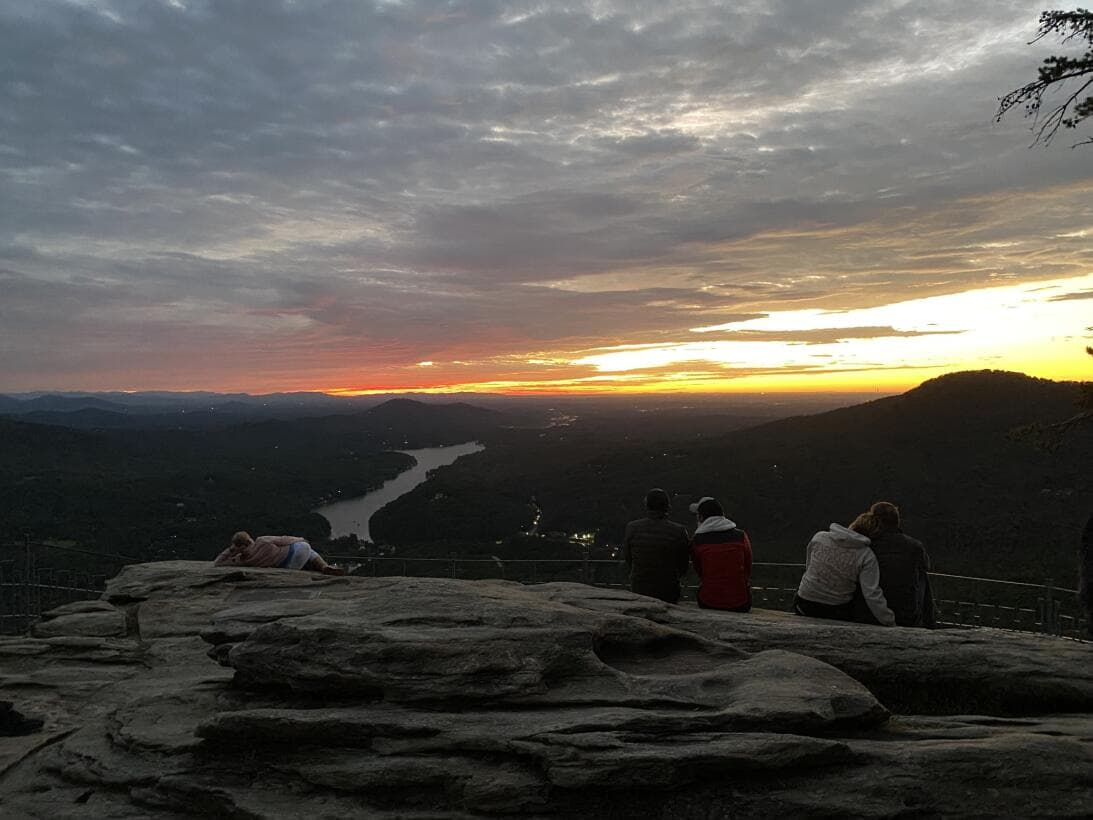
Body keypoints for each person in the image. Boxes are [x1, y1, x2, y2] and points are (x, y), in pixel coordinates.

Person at [794, 513, 895, 627]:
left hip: (803, 604)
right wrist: (889, 620)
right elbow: (871, 593)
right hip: (835, 611)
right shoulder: (866, 555)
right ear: (873, 535)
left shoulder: (819, 537)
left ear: (854, 524)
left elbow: (809, 568)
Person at [868, 501, 935, 628]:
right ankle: (929, 622)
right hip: (906, 612)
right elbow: (926, 566)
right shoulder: (914, 546)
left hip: (871, 609)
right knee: (922, 576)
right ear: (897, 521)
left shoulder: (869, 544)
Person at [623, 488, 690, 604]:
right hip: (668, 589)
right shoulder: (678, 531)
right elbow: (683, 566)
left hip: (639, 588)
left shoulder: (632, 528)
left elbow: (628, 558)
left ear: (646, 506)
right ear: (667, 507)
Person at [689, 496, 752, 612]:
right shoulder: (741, 536)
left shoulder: (697, 541)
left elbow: (700, 571)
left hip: (708, 601)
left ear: (701, 517)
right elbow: (747, 567)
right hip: (741, 602)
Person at [213, 532, 347, 575]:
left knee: (304, 557)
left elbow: (218, 563)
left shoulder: (243, 560)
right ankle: (324, 567)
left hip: (288, 567)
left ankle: (319, 567)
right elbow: (284, 539)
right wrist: (301, 539)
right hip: (299, 551)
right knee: (308, 550)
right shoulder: (262, 540)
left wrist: (231, 549)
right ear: (249, 540)